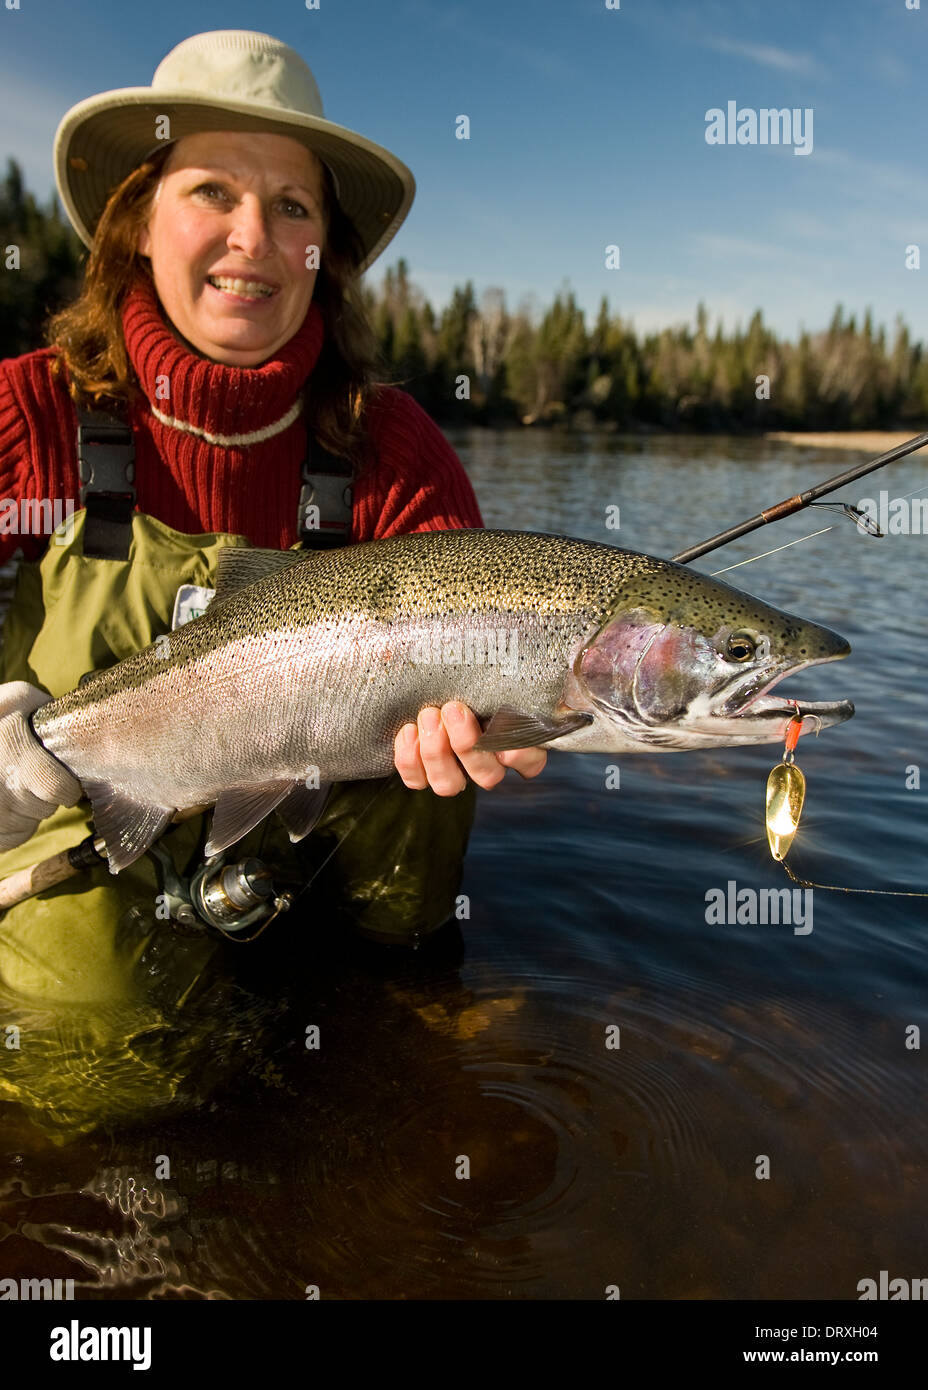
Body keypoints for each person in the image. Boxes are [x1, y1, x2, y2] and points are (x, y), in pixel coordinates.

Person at [0, 30, 544, 1131]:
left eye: (293, 206)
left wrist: (506, 716)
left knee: (382, 1067)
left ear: (323, 253)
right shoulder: (23, 417)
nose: (255, 237)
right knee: (98, 1093)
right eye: (212, 191)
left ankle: (386, 1053)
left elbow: (506, 678)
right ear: (136, 224)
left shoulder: (394, 452)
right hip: (78, 821)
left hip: (318, 833)